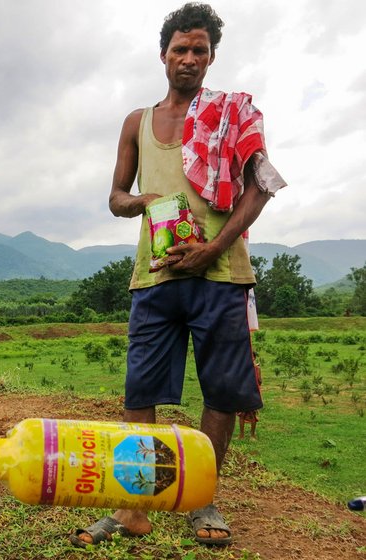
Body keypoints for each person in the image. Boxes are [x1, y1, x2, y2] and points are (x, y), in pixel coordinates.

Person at [70, 3, 285, 548]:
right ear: (162, 56)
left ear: (212, 58)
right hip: (155, 277)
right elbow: (115, 198)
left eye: (200, 51)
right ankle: (134, 506)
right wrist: (140, 200)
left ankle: (200, 499)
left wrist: (212, 246)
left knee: (223, 393)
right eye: (179, 50)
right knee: (140, 391)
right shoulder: (135, 123)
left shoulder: (231, 114)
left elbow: (261, 185)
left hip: (222, 274)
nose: (189, 60)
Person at [238, 352, 262, 439]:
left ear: (254, 358)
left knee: (251, 414)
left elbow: (259, 381)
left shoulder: (255, 368)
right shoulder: (245, 368)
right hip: (246, 392)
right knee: (242, 414)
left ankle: (252, 435)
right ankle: (242, 435)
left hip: (252, 393)